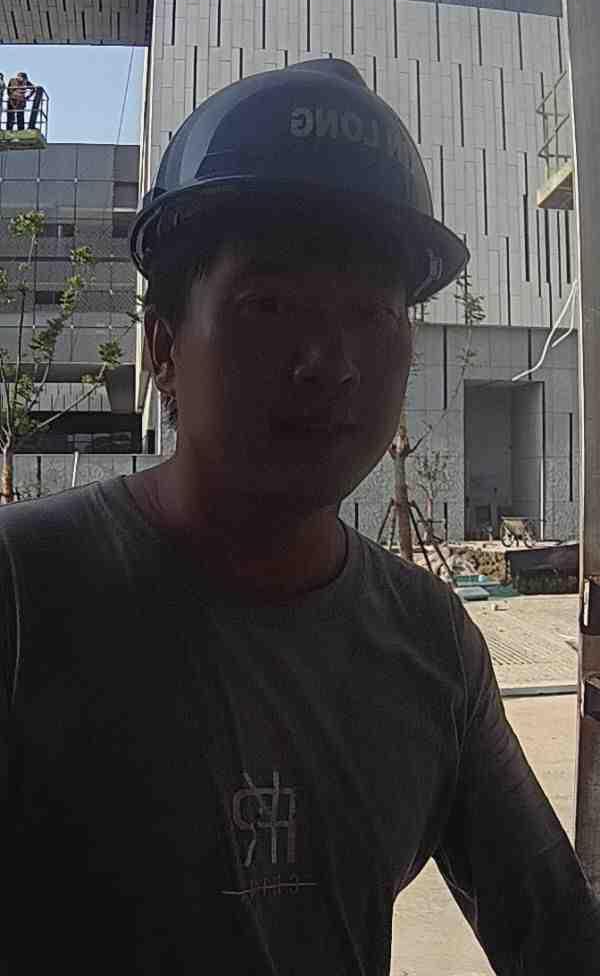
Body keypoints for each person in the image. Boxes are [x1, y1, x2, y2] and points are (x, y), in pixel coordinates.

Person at [2, 58, 599, 974]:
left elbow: (555, 936)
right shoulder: (24, 594)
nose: (330, 360)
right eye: (269, 305)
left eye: (374, 313)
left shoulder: (429, 644)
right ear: (163, 347)